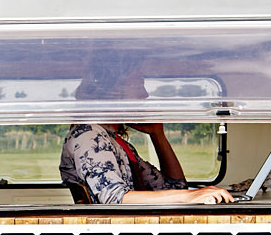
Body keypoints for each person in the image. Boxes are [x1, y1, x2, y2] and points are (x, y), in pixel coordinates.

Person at [59, 58, 233, 204]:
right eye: (137, 84)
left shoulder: (114, 140)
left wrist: (158, 135)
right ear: (113, 90)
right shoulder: (88, 136)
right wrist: (189, 197)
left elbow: (174, 188)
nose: (144, 94)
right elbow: (114, 197)